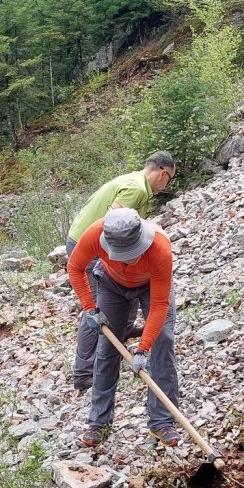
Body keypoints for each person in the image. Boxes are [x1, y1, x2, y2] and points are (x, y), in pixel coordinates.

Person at [67, 207, 181, 448]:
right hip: (111, 285)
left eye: (132, 253)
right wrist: (91, 308)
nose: (128, 258)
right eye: (122, 254)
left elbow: (160, 304)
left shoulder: (160, 248)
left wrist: (142, 349)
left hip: (152, 288)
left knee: (164, 340)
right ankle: (99, 423)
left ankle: (162, 422)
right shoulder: (94, 234)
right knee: (107, 347)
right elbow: (75, 268)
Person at [64, 152, 175, 392]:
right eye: (169, 180)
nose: (166, 186)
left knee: (119, 292)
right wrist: (89, 307)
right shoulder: (137, 189)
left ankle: (121, 330)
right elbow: (112, 223)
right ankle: (83, 372)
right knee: (95, 309)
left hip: (93, 239)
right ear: (163, 172)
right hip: (94, 244)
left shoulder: (134, 180)